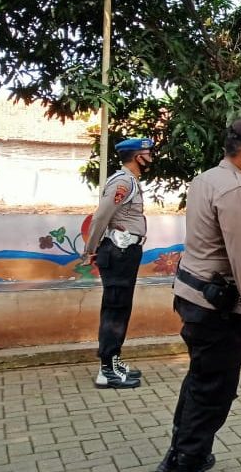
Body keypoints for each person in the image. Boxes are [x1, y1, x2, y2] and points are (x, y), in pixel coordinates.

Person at [157, 116, 241, 472]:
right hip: (213, 307)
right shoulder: (235, 189)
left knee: (201, 378)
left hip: (192, 295)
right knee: (216, 387)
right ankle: (187, 460)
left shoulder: (206, 178)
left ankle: (183, 450)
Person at [84, 137, 154, 389]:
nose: (151, 158)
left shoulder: (129, 181)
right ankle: (107, 369)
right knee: (115, 310)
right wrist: (90, 249)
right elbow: (101, 216)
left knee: (120, 308)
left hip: (125, 251)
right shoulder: (123, 181)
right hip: (119, 252)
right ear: (138, 157)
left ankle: (113, 360)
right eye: (148, 154)